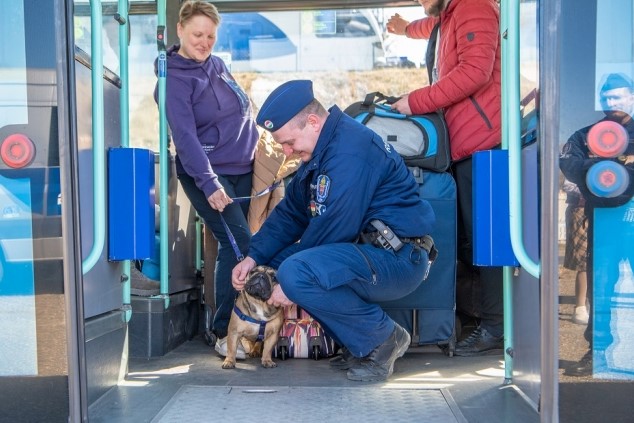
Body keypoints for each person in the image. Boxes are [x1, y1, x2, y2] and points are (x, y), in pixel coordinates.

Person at [231, 80, 437, 382]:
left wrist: (288, 285)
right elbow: (291, 213)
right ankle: (358, 344)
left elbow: (334, 229)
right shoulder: (322, 149)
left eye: (289, 142)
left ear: (313, 122)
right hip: (366, 253)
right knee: (275, 263)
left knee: (295, 273)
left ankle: (384, 339)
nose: (287, 151)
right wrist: (253, 257)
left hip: (398, 259)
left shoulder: (349, 152)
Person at [386, 0, 503, 356]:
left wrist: (415, 102)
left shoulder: (474, 6)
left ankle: (496, 327)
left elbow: (475, 72)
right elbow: (432, 26)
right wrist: (406, 28)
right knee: (469, 241)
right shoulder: (448, 15)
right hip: (467, 144)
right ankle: (476, 317)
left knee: (488, 241)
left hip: (486, 143)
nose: (421, 2)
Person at [155, 1, 258, 358]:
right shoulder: (173, 80)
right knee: (239, 243)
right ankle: (225, 331)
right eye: (197, 34)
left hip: (243, 168)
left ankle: (239, 325)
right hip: (209, 173)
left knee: (236, 244)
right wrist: (210, 183)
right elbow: (185, 139)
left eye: (211, 36)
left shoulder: (217, 64)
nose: (204, 42)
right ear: (180, 30)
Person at [560, 72, 634, 376]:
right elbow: (569, 165)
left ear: (632, 96)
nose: (611, 101)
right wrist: (611, 165)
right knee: (601, 290)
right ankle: (598, 353)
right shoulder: (585, 136)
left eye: (618, 95)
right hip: (603, 222)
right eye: (606, 97)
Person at [562, 178, 589, 325]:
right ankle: (580, 307)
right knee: (584, 260)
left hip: (607, 209)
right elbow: (569, 185)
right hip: (581, 208)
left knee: (604, 259)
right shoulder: (577, 163)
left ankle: (595, 304)